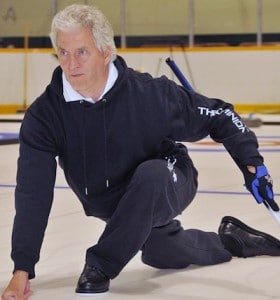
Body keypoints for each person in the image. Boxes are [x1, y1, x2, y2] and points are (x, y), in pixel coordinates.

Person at [2, 4, 280, 299]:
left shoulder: (149, 94)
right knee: (161, 251)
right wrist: (22, 269)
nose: (71, 64)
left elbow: (220, 116)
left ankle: (100, 264)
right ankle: (231, 239)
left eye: (82, 52)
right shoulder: (46, 116)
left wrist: (252, 163)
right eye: (63, 53)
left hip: (169, 176)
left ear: (106, 52)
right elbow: (34, 192)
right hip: (114, 203)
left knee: (152, 176)